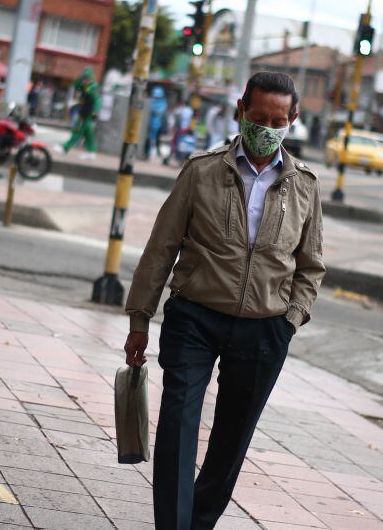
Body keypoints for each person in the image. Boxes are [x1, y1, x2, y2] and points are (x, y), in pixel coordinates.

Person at [123, 72, 326, 530]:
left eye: (277, 119)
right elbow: (161, 248)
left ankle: (197, 523)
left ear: (292, 119)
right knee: (178, 425)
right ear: (241, 110)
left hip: (264, 329)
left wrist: (289, 320)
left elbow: (311, 265)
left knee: (231, 442)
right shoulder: (201, 171)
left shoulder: (306, 186)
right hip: (194, 317)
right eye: (258, 117)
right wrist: (140, 319)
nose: (266, 127)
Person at [59, 67, 101, 159]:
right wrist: (80, 79)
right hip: (84, 112)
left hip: (87, 114)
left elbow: (97, 101)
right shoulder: (83, 85)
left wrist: (95, 112)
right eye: (84, 78)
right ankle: (91, 152)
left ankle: (65, 148)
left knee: (77, 131)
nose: (85, 80)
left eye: (87, 78)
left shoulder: (93, 87)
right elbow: (75, 85)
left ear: (91, 78)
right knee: (88, 134)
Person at [145, 85, 168, 159]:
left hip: (157, 124)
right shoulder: (152, 101)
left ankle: (151, 153)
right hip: (150, 123)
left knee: (154, 139)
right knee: (150, 139)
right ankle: (149, 153)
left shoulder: (162, 102)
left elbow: (160, 112)